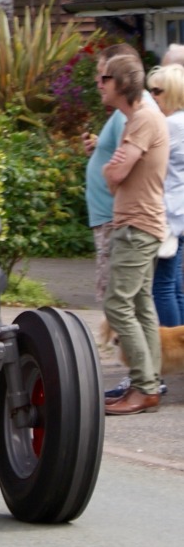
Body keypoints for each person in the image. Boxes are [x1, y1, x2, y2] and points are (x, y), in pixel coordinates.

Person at [99, 48, 169, 416]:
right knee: (141, 305)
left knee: (117, 304)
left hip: (137, 225)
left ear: (123, 83)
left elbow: (115, 173)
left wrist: (111, 172)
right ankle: (148, 384)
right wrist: (112, 173)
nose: (100, 84)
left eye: (105, 78)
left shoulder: (142, 118)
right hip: (140, 223)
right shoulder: (135, 118)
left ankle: (144, 387)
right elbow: (114, 175)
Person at [150, 62, 184, 329]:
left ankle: (171, 354)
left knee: (161, 287)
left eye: (158, 90)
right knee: (176, 285)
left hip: (167, 215)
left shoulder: (169, 125)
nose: (153, 95)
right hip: (179, 213)